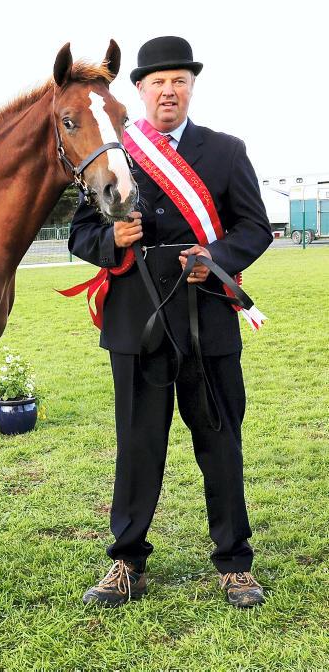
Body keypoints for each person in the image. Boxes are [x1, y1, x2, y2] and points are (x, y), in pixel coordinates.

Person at [67, 36, 272, 608]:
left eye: (178, 80)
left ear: (191, 87)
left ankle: (234, 563)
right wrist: (112, 238)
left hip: (207, 322)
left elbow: (254, 228)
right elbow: (82, 232)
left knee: (220, 442)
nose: (168, 91)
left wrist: (219, 261)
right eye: (157, 82)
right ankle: (127, 563)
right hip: (137, 325)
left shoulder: (226, 151)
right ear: (139, 90)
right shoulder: (115, 150)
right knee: (137, 446)